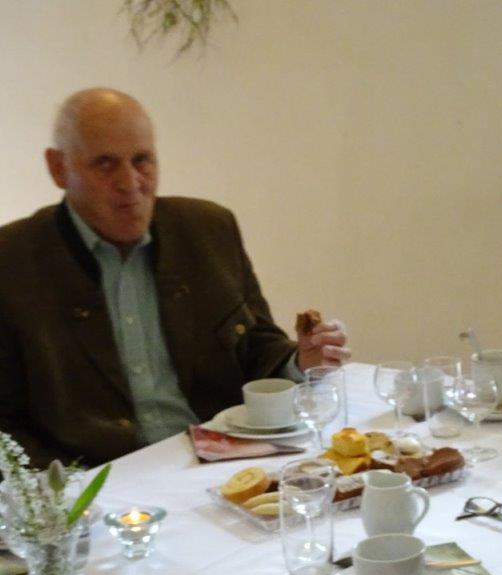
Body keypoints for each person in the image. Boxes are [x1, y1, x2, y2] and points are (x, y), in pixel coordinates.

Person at [0, 88, 349, 468]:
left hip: (224, 461)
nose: (130, 182)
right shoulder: (14, 262)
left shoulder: (208, 229)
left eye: (142, 160)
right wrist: (64, 487)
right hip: (97, 478)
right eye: (105, 164)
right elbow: (6, 423)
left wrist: (300, 361)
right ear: (58, 168)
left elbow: (256, 346)